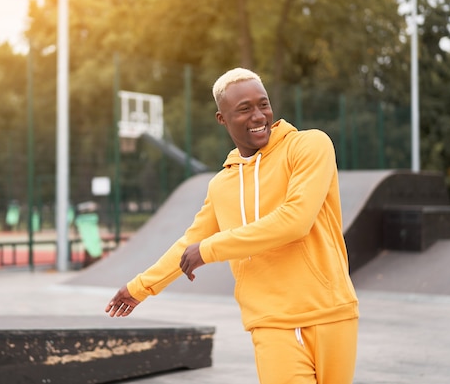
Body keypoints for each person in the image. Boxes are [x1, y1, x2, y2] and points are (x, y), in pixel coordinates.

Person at [105, 68, 359, 384]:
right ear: (222, 118)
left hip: (333, 312)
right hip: (271, 321)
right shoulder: (222, 185)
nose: (258, 116)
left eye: (263, 104)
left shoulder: (309, 145)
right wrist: (139, 287)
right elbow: (190, 243)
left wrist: (211, 249)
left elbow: (295, 221)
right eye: (244, 109)